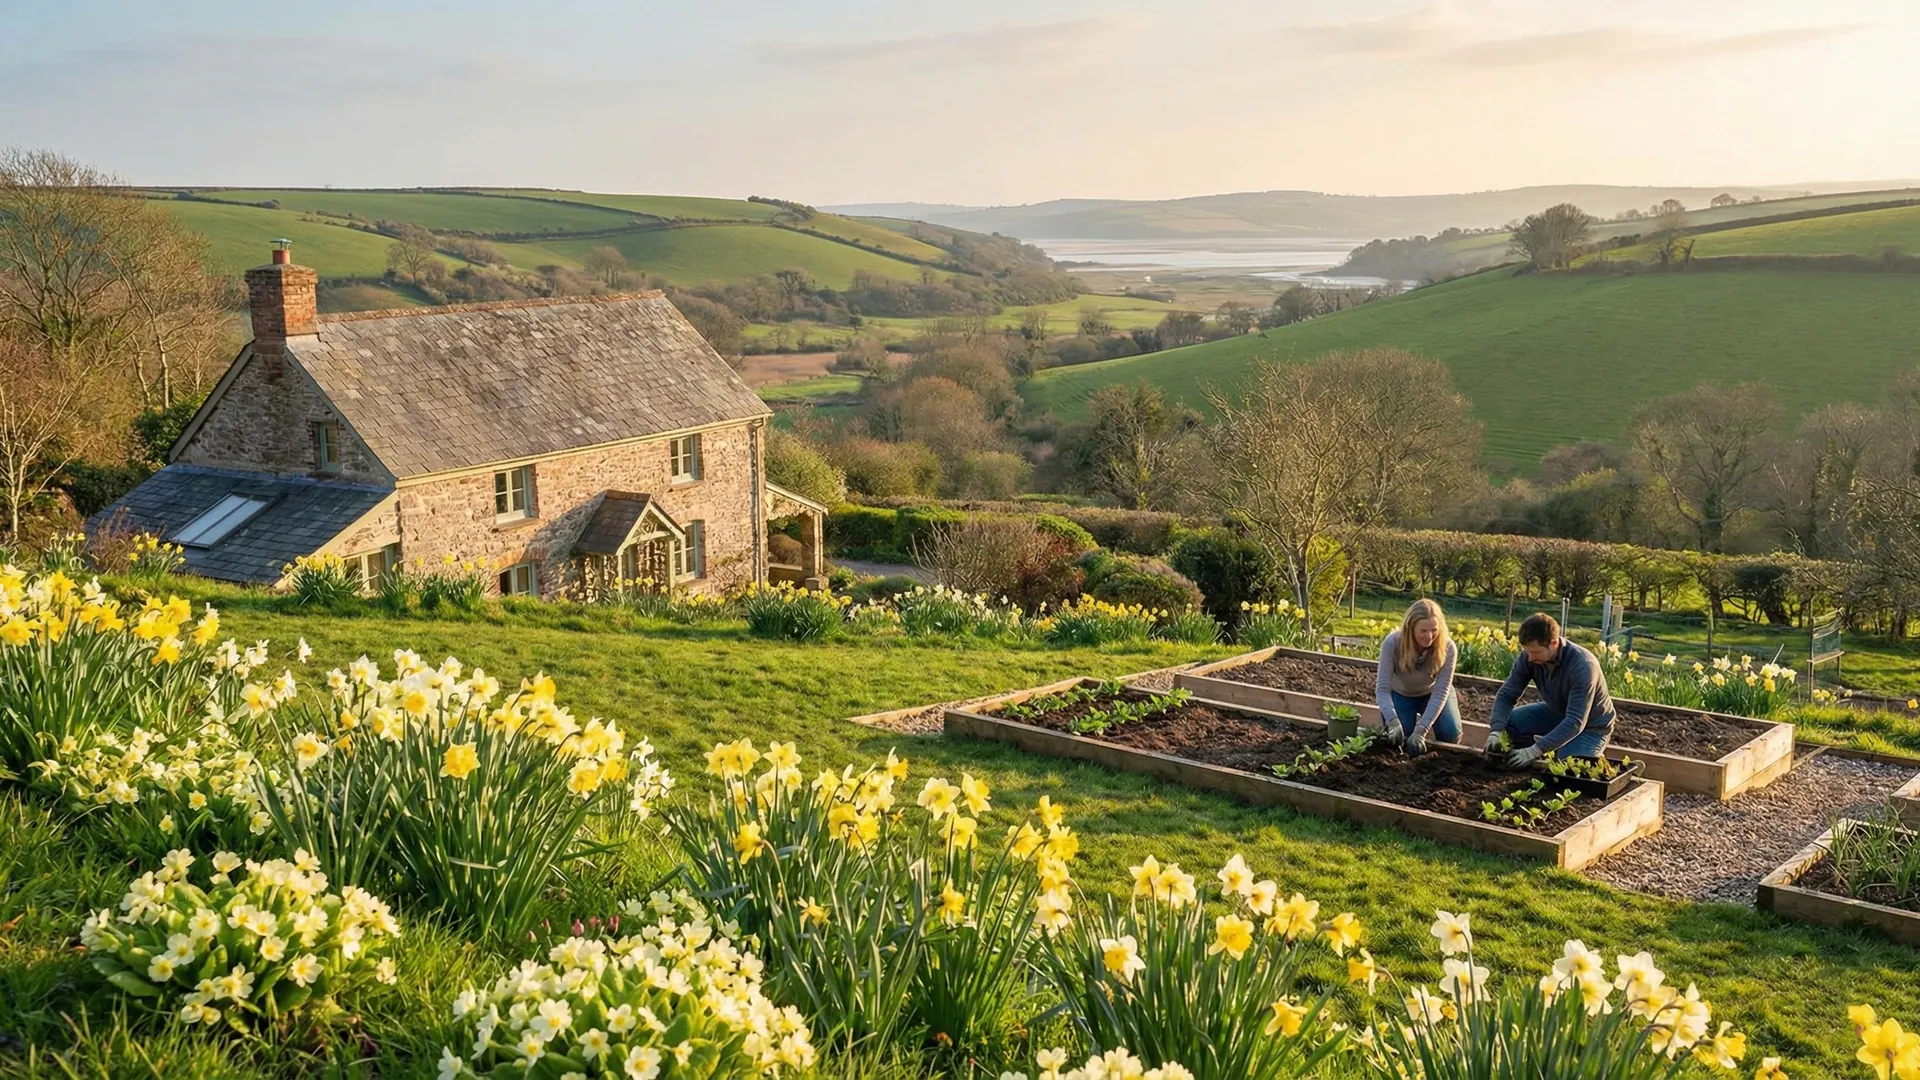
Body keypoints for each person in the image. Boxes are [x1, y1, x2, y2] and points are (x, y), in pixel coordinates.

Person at [1487, 612, 1615, 768]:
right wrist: (1496, 730)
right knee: (1508, 723)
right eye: (1527, 652)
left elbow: (1575, 721)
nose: (1530, 658)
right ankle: (1530, 755)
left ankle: (1598, 759)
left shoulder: (1583, 666)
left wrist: (1535, 751)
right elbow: (1507, 695)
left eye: (1535, 652)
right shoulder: (1529, 657)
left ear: (1554, 643)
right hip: (1556, 713)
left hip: (1591, 726)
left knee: (1567, 768)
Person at [1373, 598, 1461, 756]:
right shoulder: (1392, 644)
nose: (1429, 636)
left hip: (1432, 693)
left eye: (1434, 630)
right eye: (1423, 631)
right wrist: (1392, 721)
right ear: (1410, 628)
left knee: (1450, 733)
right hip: (1402, 693)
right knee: (1400, 737)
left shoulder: (1448, 648)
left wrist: (1422, 730)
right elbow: (1382, 689)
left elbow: (1441, 691)